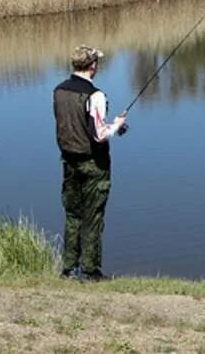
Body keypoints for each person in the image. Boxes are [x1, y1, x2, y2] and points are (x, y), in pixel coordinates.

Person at [53, 45, 127, 282]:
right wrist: (117, 125)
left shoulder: (59, 91)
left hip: (69, 161)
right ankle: (90, 271)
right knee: (93, 216)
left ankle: (68, 269)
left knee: (73, 214)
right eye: (97, 62)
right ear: (93, 66)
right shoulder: (95, 96)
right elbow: (98, 134)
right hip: (93, 164)